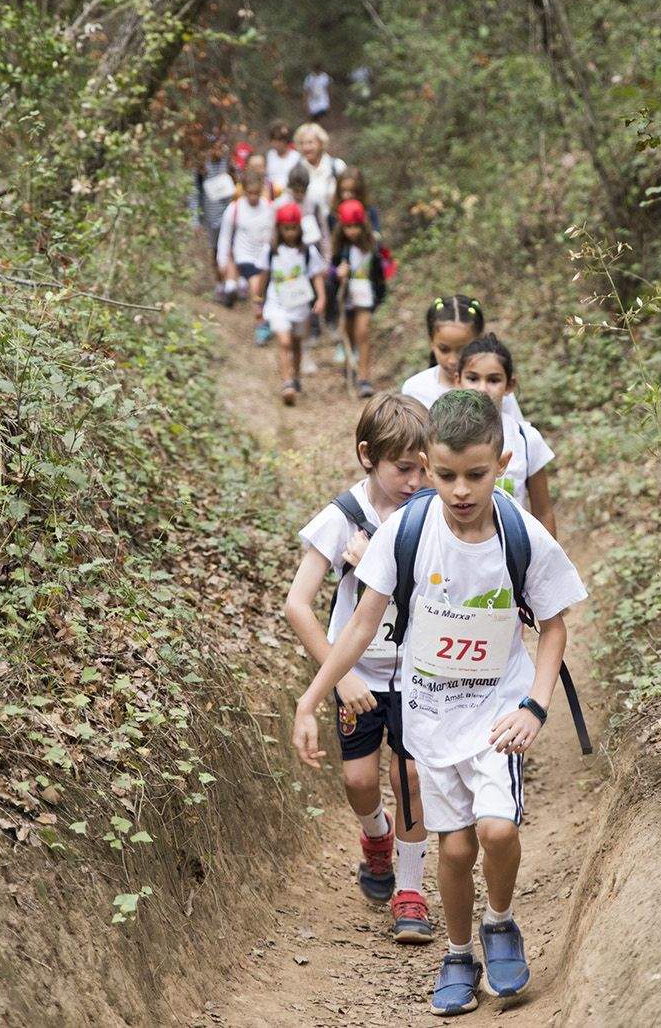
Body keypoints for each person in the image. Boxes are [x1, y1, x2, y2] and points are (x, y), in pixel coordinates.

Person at [293, 390, 588, 1016]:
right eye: (445, 474)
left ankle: (501, 921)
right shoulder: (405, 530)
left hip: (495, 714)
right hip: (430, 715)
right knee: (453, 849)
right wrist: (312, 696)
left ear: (502, 464)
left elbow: (554, 625)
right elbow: (361, 624)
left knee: (498, 828)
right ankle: (458, 953)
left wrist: (533, 707)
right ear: (427, 464)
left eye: (476, 475)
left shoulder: (519, 533)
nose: (459, 490)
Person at [283, 393, 434, 944]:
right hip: (359, 673)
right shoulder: (342, 516)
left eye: (425, 468)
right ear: (369, 455)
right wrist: (338, 675)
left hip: (422, 672)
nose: (416, 480)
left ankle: (412, 890)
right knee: (359, 779)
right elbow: (298, 604)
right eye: (404, 468)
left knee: (410, 775)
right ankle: (376, 840)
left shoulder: (433, 510)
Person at [459, 335, 556, 535]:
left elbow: (543, 511)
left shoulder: (526, 440)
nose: (482, 389)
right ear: (457, 380)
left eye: (493, 380)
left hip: (511, 556)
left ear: (509, 385)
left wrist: (549, 565)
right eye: (473, 378)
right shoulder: (439, 436)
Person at [401, 296, 526, 421]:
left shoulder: (494, 388)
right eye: (444, 349)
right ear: (432, 343)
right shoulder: (415, 389)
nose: (453, 360)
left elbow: (519, 433)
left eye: (463, 350)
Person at [256, 200, 326, 405]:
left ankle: (295, 377)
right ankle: (287, 382)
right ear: (279, 228)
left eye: (294, 228)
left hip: (300, 305)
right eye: (286, 229)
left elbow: (316, 276)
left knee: (296, 343)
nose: (290, 233)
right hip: (277, 304)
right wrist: (257, 300)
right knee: (284, 341)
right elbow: (263, 275)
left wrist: (321, 297)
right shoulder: (271, 251)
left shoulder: (307, 252)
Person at [331, 200, 387, 399]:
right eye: (348, 227)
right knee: (349, 333)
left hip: (365, 294)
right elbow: (330, 269)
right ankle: (350, 369)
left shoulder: (372, 244)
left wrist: (380, 293)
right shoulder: (340, 247)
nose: (352, 231)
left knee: (363, 332)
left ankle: (364, 377)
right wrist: (338, 273)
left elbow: (380, 270)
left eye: (355, 226)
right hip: (347, 296)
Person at [215, 169, 277, 334]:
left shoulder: (269, 208)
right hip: (244, 255)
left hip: (264, 256)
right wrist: (222, 261)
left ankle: (267, 317)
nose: (253, 197)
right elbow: (225, 237)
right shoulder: (234, 209)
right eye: (250, 193)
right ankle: (261, 324)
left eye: (257, 193)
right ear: (243, 190)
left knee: (265, 291)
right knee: (256, 287)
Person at [193, 134, 236, 304]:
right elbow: (194, 192)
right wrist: (195, 218)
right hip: (211, 217)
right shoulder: (202, 167)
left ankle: (231, 283)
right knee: (216, 249)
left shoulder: (228, 162)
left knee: (231, 248)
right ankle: (220, 283)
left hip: (230, 214)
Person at [294, 123, 345, 260]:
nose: (307, 147)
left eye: (310, 142)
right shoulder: (297, 171)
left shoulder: (336, 166)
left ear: (321, 143)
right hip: (310, 231)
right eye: (303, 143)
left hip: (335, 227)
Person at [265, 121, 301, 191]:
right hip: (271, 192)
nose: (277, 143)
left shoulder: (296, 157)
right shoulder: (269, 155)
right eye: (274, 140)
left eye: (280, 140)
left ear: (286, 140)